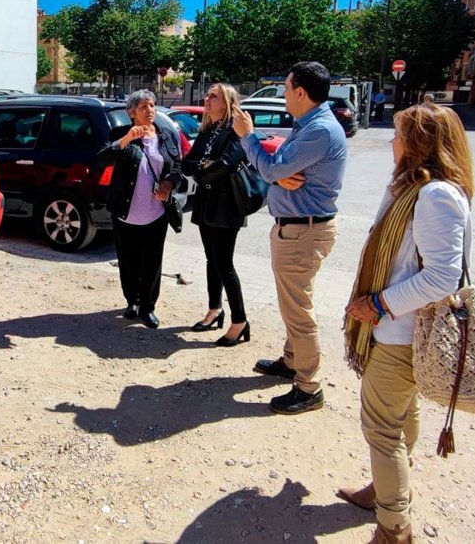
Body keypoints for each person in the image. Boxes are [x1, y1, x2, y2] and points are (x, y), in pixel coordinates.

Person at [336, 102, 474, 544]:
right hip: (403, 331)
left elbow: (442, 277)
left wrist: (379, 303)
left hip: (400, 333)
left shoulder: (434, 195)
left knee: (381, 430)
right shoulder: (416, 188)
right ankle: (386, 489)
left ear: (418, 144)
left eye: (398, 135)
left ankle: (394, 527)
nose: (391, 142)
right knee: (401, 415)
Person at [231, 61, 347, 416]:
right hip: (297, 229)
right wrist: (278, 172)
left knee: (298, 312)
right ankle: (292, 360)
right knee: (292, 304)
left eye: (285, 88)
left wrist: (248, 136)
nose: (283, 94)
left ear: (300, 92)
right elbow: (278, 166)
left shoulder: (319, 130)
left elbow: (271, 167)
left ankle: (309, 387)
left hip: (302, 232)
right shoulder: (310, 125)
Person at [99, 90, 184, 329]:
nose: (150, 111)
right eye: (144, 107)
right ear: (132, 113)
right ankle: (132, 302)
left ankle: (148, 307)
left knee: (152, 263)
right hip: (125, 213)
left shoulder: (165, 135)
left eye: (152, 105)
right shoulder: (120, 134)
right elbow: (101, 159)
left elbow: (177, 167)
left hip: (156, 214)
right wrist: (126, 140)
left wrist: (168, 184)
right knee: (128, 262)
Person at [180, 83, 250, 347]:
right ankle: (215, 309)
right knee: (212, 260)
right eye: (207, 95)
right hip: (206, 202)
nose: (206, 99)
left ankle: (240, 320)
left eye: (213, 96)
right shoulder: (208, 130)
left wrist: (204, 170)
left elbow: (227, 164)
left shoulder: (236, 129)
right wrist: (204, 165)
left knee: (224, 264)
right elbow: (187, 163)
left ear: (228, 102)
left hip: (227, 205)